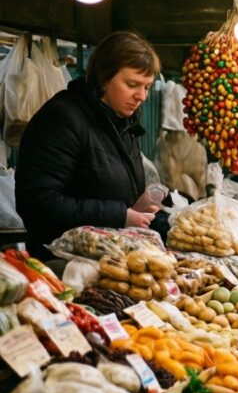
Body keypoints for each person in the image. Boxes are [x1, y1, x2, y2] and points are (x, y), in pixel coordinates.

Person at [16, 31, 162, 247]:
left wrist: (141, 209)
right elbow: (38, 203)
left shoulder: (123, 123)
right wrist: (120, 215)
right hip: (61, 263)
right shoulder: (62, 119)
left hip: (109, 256)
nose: (141, 96)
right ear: (104, 78)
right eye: (132, 85)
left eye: (147, 87)